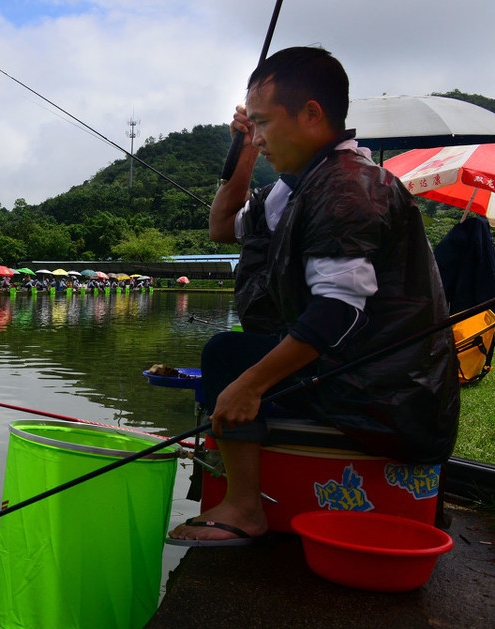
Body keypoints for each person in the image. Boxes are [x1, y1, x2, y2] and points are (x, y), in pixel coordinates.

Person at [168, 46, 460, 545]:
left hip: (387, 393)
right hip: (369, 376)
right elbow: (222, 227)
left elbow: (336, 311)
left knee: (228, 358)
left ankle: (244, 507)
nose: (258, 138)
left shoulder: (347, 188)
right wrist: (242, 148)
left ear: (311, 114)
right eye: (251, 127)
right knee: (240, 354)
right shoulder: (299, 186)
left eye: (263, 124)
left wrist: (251, 385)